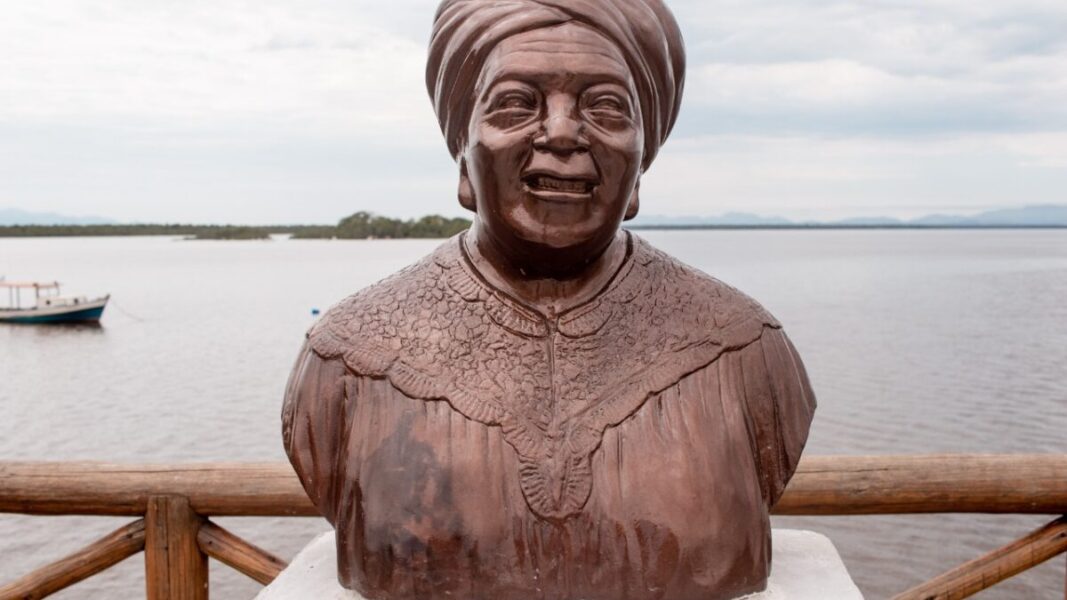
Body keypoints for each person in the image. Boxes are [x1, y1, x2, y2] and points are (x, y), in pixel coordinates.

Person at [282, 1, 815, 598]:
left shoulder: (744, 350)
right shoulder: (347, 358)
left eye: (606, 106)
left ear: (640, 164)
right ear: (463, 152)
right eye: (516, 103)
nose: (562, 132)